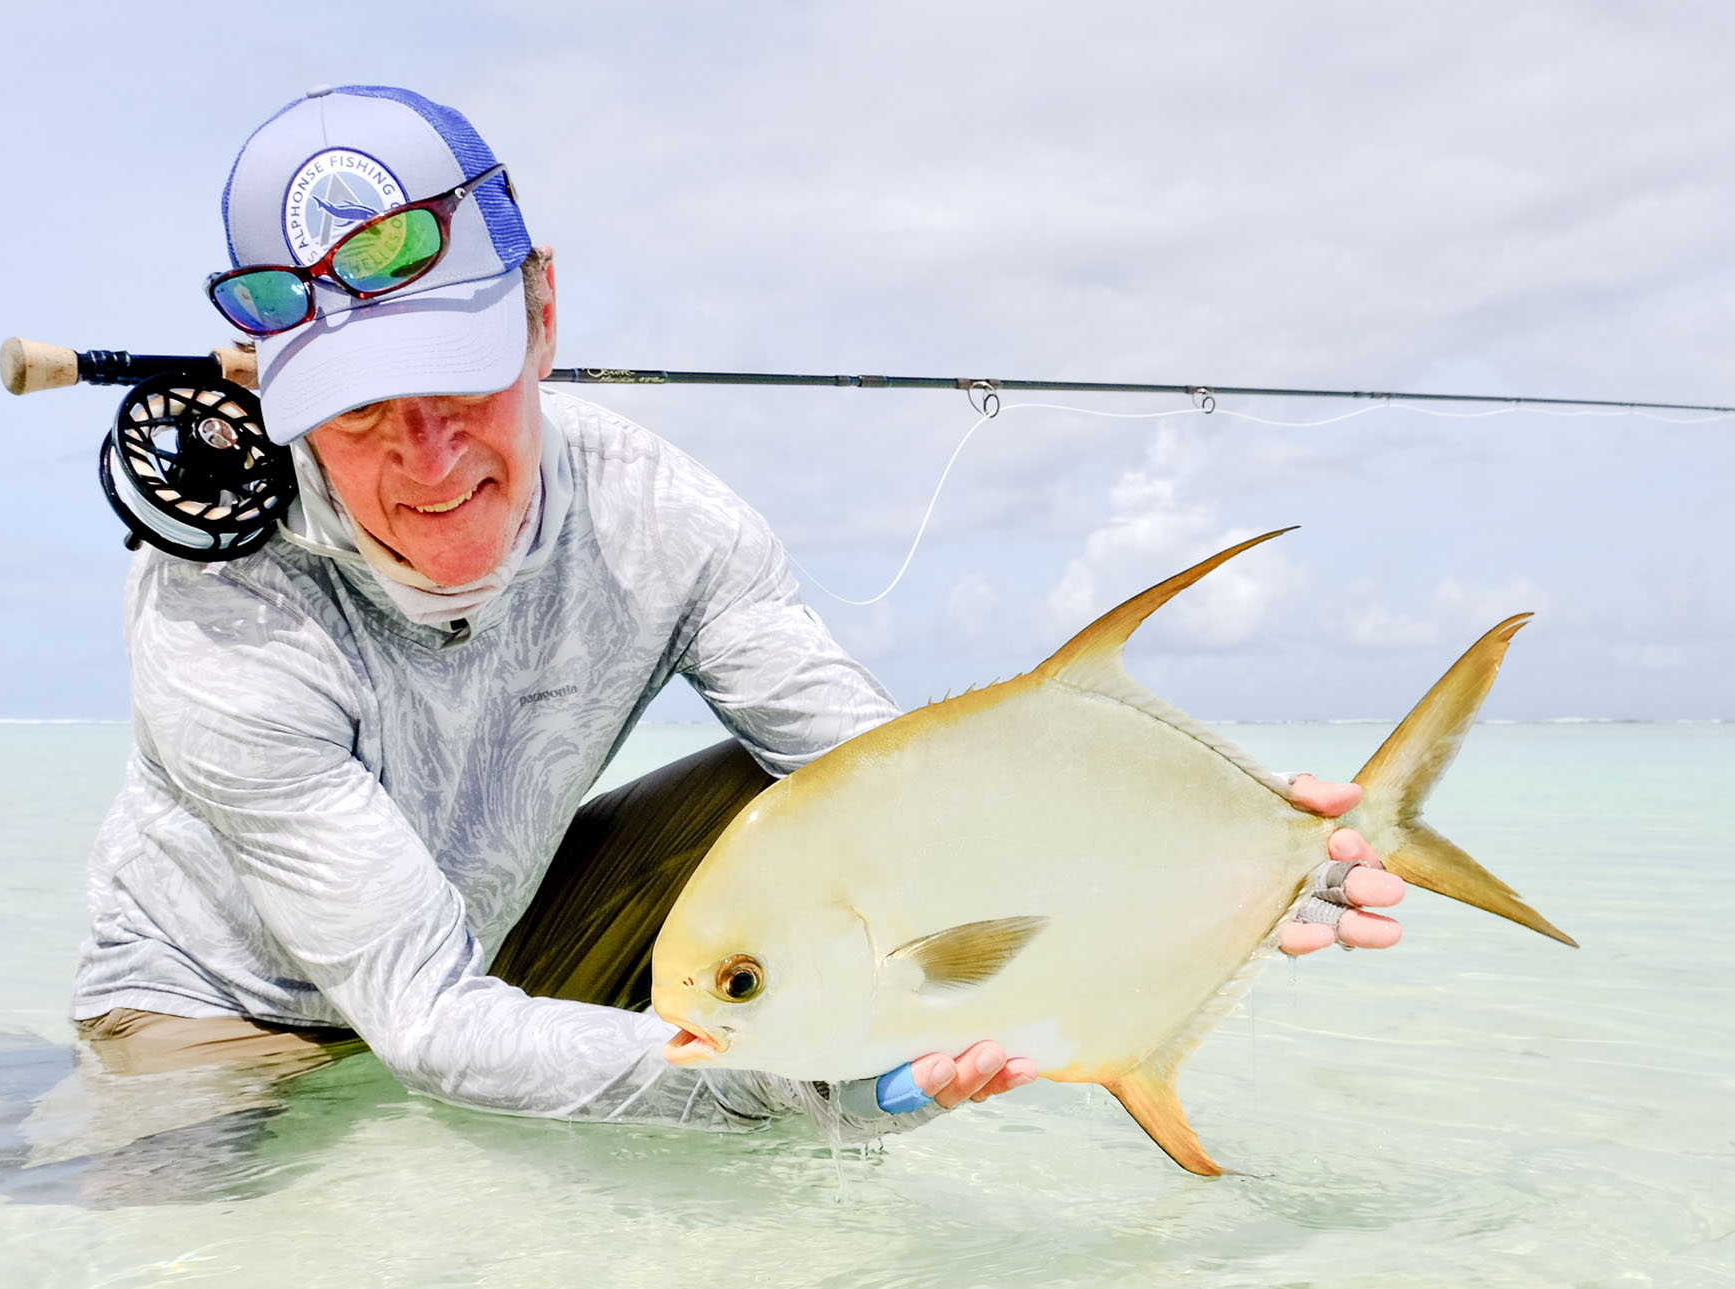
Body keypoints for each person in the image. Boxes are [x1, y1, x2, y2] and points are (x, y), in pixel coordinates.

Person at [71, 85, 1405, 1136]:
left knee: (770, 798)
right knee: (193, 1231)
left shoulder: (669, 521)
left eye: (461, 379)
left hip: (504, 929)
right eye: (362, 409)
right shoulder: (216, 613)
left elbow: (900, 786)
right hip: (225, 1008)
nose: (428, 462)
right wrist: (806, 1091)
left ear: (540, 313)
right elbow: (420, 1015)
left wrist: (1208, 870)